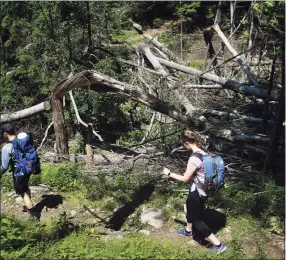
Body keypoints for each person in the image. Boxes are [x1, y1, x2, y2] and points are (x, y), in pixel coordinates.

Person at [162, 130, 226, 254]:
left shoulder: (194, 158)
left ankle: (218, 245)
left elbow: (185, 178)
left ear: (186, 143)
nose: (182, 145)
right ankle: (188, 230)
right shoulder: (204, 153)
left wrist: (169, 174)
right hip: (205, 190)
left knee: (196, 220)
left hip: (197, 192)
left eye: (182, 143)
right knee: (188, 206)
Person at [0, 123, 39, 219]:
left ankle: (34, 216)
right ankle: (28, 205)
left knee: (23, 192)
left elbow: (4, 167)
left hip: (18, 172)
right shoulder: (22, 140)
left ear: (5, 134)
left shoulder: (7, 147)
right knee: (25, 187)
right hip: (28, 169)